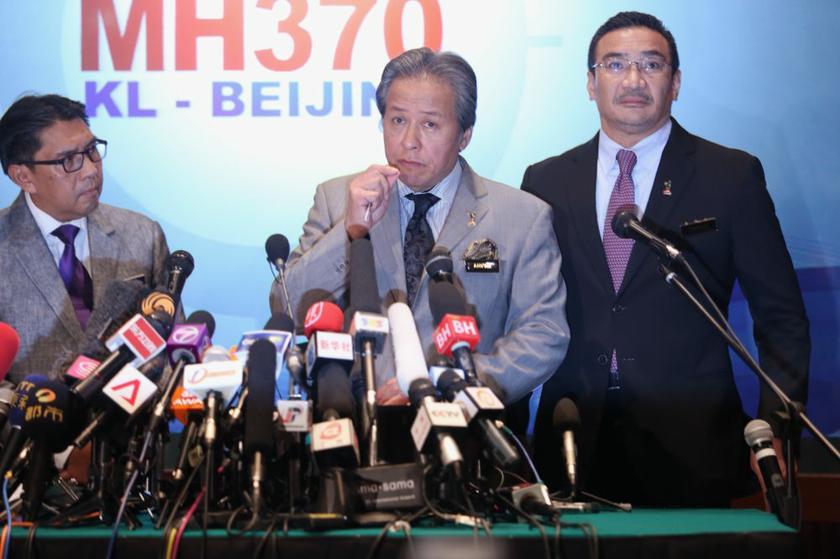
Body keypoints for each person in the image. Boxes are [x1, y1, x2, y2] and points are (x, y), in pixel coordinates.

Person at [522, 12, 809, 506]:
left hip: (692, 443)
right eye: (615, 65)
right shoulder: (546, 181)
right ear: (590, 83)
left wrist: (777, 429)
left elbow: (781, 316)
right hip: (572, 438)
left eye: (651, 65)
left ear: (675, 83)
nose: (633, 80)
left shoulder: (730, 176)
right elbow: (520, 314)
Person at [272, 48, 570, 405]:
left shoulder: (522, 216)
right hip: (354, 420)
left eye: (430, 124)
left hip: (465, 423)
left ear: (464, 135)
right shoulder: (337, 199)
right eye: (398, 120)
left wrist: (449, 385)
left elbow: (544, 334)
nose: (409, 141)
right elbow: (287, 308)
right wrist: (350, 231)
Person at [0, 94, 170, 384]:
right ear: (23, 177)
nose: (91, 170)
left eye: (92, 150)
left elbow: (171, 352)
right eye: (69, 160)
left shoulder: (142, 235)